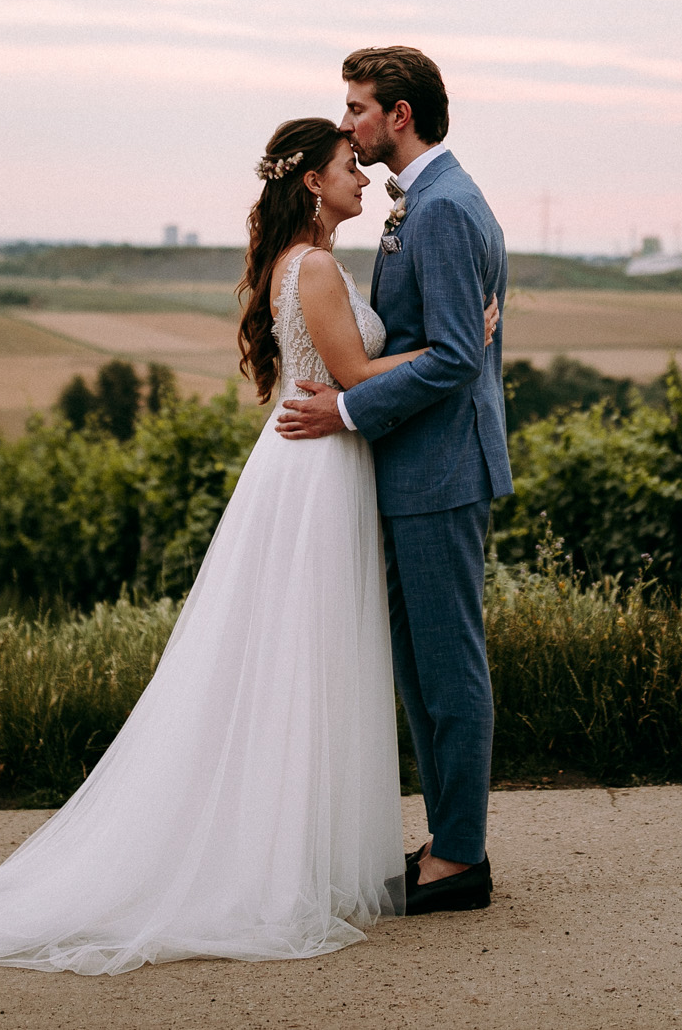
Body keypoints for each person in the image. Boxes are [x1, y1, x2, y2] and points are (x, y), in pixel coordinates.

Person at [0, 115, 499, 974]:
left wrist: (434, 345)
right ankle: (280, 858)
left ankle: (301, 844)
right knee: (302, 657)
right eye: (345, 168)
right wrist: (460, 345)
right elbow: (358, 379)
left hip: (316, 464)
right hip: (318, 470)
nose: (361, 176)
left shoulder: (309, 261)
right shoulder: (318, 266)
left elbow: (356, 364)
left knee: (298, 655)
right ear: (313, 184)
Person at [275, 46, 510, 915]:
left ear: (398, 115)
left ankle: (460, 857)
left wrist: (342, 412)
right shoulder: (429, 203)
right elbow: (448, 340)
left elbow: (453, 356)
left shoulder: (444, 209)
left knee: (447, 664)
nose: (348, 124)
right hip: (420, 466)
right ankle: (450, 839)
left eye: (358, 108)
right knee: (420, 662)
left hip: (442, 468)